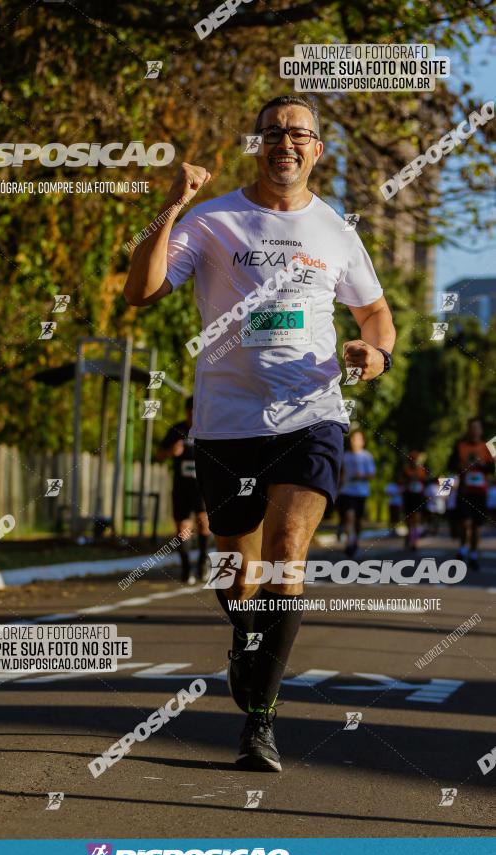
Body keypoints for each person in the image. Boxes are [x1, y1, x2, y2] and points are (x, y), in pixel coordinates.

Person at [124, 94, 396, 771]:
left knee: (285, 556)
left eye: (298, 133)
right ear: (257, 144)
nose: (285, 142)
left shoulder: (334, 228)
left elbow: (374, 312)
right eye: (273, 131)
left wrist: (377, 353)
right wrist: (173, 203)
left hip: (312, 414)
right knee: (235, 574)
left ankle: (261, 722)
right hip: (225, 423)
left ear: (316, 151)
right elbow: (141, 290)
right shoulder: (212, 220)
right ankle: (243, 640)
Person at [156, 396, 210, 584]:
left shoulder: (208, 430)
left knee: (204, 522)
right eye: (190, 411)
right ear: (186, 411)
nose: (193, 415)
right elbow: (159, 455)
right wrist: (171, 451)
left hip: (202, 487)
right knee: (182, 529)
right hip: (181, 487)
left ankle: (202, 562)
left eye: (197, 411)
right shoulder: (176, 430)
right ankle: (187, 568)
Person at [448, 417, 494, 569]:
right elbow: (451, 464)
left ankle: (473, 554)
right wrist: (462, 466)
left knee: (476, 526)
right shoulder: (460, 446)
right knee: (464, 522)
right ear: (468, 430)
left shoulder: (488, 447)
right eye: (472, 428)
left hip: (480, 492)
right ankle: (462, 549)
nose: (474, 431)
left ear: (481, 431)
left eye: (477, 428)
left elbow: (493, 469)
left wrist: (483, 465)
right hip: (465, 491)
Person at [337, 430, 376, 556]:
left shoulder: (367, 456)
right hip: (346, 491)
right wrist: (339, 486)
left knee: (358, 521)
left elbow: (372, 475)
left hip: (361, 492)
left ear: (362, 442)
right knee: (349, 517)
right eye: (352, 438)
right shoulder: (345, 456)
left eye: (357, 439)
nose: (354, 441)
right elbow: (341, 474)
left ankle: (356, 540)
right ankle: (349, 543)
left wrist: (362, 475)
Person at [402, 451, 428, 551]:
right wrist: (409, 479)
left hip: (419, 497)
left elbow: (427, 480)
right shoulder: (406, 470)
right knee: (408, 520)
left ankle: (414, 541)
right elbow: (400, 480)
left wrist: (419, 478)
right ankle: (409, 535)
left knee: (416, 519)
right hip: (408, 496)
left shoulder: (422, 470)